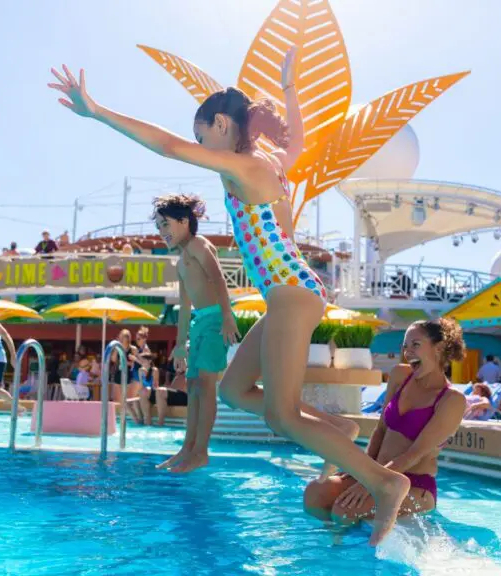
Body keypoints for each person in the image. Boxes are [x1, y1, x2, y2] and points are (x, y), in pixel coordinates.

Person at [48, 51, 409, 544]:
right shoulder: (269, 162)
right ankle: (337, 430)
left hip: (292, 293)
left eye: (203, 136)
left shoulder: (248, 166)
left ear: (221, 124)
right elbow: (297, 143)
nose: (200, 146)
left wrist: (99, 112)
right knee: (235, 389)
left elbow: (169, 147)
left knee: (282, 416)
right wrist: (288, 91)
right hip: (288, 292)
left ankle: (384, 482)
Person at [303, 319, 466, 528]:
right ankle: (333, 548)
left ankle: (347, 550)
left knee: (345, 510)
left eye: (415, 345)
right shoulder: (400, 375)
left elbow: (415, 453)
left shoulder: (451, 400)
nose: (408, 352)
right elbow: (381, 430)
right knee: (315, 493)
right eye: (405, 346)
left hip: (414, 486)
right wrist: (362, 471)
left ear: (439, 348)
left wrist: (369, 483)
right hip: (377, 473)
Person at [149, 194, 239, 472]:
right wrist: (179, 345)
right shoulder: (180, 262)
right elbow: (185, 306)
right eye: (159, 227)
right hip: (200, 323)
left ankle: (201, 451)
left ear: (184, 221)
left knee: (206, 384)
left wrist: (226, 316)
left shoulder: (200, 245)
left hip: (215, 320)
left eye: (166, 225)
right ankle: (187, 448)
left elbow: (218, 278)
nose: (162, 232)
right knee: (194, 386)